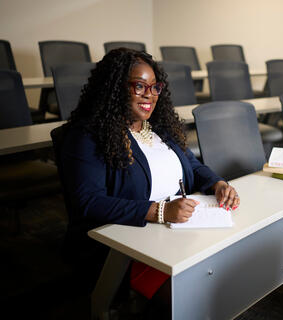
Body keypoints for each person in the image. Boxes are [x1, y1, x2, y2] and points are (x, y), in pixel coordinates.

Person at [60, 48, 240, 316]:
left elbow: (192, 165)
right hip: (126, 245)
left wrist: (217, 184)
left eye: (155, 87)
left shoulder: (158, 129)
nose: (149, 95)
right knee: (196, 296)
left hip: (176, 232)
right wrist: (159, 211)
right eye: (139, 86)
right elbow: (88, 202)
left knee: (232, 272)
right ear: (114, 88)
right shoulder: (88, 135)